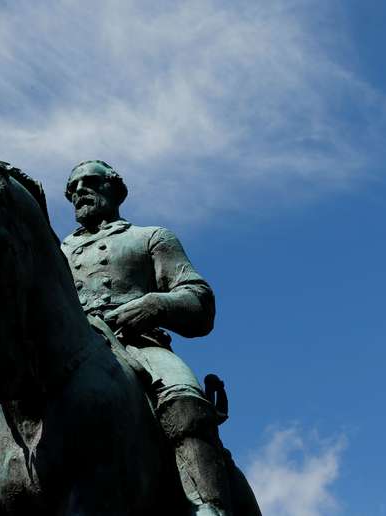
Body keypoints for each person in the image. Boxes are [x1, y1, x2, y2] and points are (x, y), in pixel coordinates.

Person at [61, 160, 232, 516]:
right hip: (67, 355)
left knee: (183, 398)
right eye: (72, 188)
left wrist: (153, 304)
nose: (79, 191)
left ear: (114, 188)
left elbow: (199, 300)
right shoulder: (56, 253)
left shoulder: (151, 237)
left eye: (88, 182)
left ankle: (207, 506)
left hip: (137, 345)